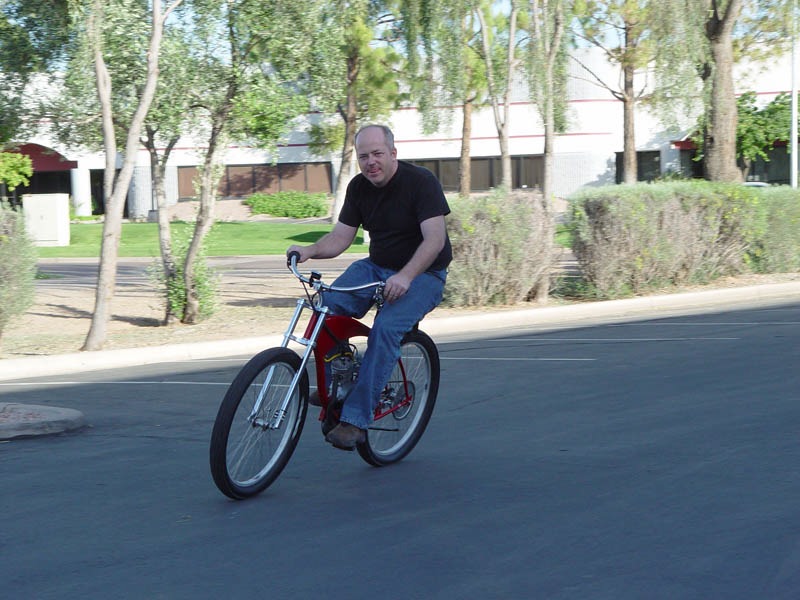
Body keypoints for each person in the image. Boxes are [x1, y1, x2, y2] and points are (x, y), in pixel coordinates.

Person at [286, 124, 452, 450]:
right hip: (376, 267)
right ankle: (333, 384)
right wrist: (309, 251)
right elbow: (340, 238)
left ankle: (356, 421)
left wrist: (405, 276)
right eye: (364, 156)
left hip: (424, 274)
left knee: (386, 328)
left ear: (393, 153)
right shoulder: (359, 187)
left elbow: (435, 240)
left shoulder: (421, 182)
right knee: (324, 305)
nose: (371, 162)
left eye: (377, 154)